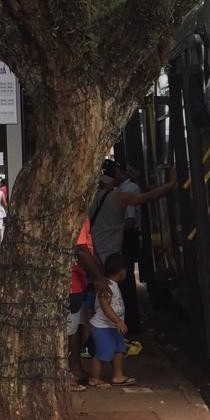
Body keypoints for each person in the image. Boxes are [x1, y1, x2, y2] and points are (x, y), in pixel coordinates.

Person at [90, 159, 177, 333]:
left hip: (92, 256)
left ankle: (96, 338)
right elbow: (146, 197)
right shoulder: (118, 197)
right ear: (114, 177)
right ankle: (117, 333)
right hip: (109, 259)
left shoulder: (92, 199)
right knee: (111, 299)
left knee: (96, 303)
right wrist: (171, 184)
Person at [66, 218, 107, 390]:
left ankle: (76, 368)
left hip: (78, 280)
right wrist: (99, 277)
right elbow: (81, 249)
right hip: (71, 283)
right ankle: (68, 373)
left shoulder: (82, 216)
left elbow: (89, 249)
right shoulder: (74, 216)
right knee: (69, 330)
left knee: (77, 327)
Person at [88, 253, 137, 388]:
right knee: (103, 352)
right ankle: (95, 377)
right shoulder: (107, 286)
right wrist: (118, 321)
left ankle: (118, 375)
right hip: (103, 327)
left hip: (112, 326)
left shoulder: (113, 285)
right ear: (122, 271)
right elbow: (105, 307)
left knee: (119, 350)